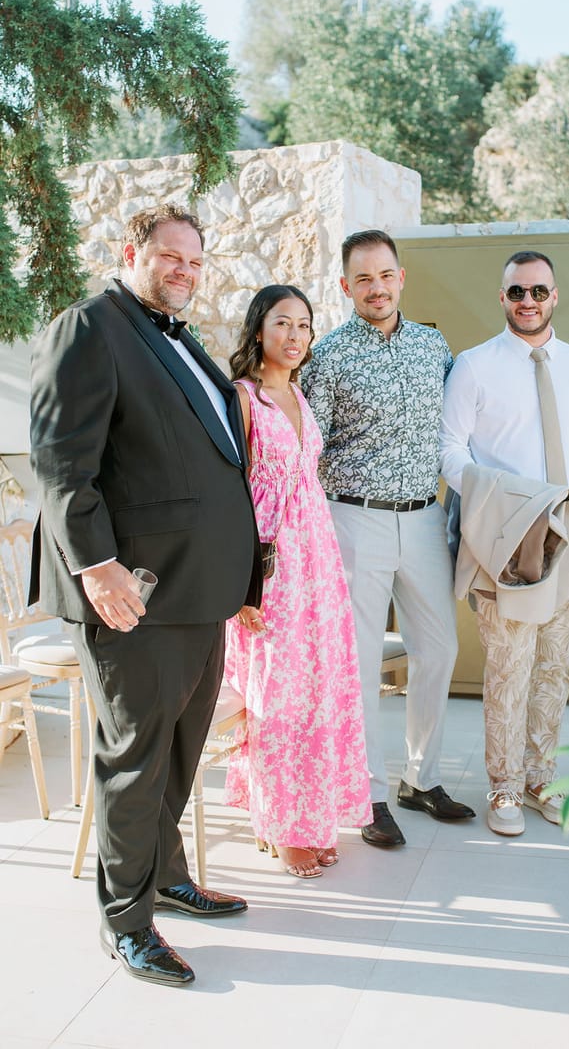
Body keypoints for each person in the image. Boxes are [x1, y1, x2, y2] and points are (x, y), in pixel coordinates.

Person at [28, 204, 262, 987]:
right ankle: (126, 922)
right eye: (169, 257)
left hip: (201, 591)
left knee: (179, 749)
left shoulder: (182, 337)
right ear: (132, 252)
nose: (183, 272)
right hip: (137, 592)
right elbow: (63, 464)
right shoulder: (89, 328)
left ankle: (166, 876)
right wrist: (98, 568)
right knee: (133, 758)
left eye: (195, 261)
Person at [302, 229, 476, 847]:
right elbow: (307, 445)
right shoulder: (326, 355)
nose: (376, 288)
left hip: (424, 517)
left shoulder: (436, 347)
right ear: (346, 287)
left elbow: (462, 429)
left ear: (401, 278)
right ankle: (366, 793)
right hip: (354, 517)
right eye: (363, 279)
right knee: (361, 663)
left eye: (385, 275)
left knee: (440, 650)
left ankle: (420, 778)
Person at [440, 250, 569, 837]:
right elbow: (450, 452)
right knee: (508, 667)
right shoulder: (473, 366)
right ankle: (505, 786)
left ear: (554, 296)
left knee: (554, 669)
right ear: (502, 298)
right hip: (508, 541)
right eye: (517, 291)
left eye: (539, 291)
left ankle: (542, 779)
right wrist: (502, 504)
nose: (528, 301)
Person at [224, 285, 372, 877]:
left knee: (317, 689)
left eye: (305, 326)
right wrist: (243, 585)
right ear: (259, 329)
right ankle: (282, 825)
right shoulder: (243, 397)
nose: (294, 336)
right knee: (277, 696)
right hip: (270, 564)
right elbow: (232, 493)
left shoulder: (300, 394)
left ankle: (310, 816)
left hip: (317, 559)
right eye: (282, 323)